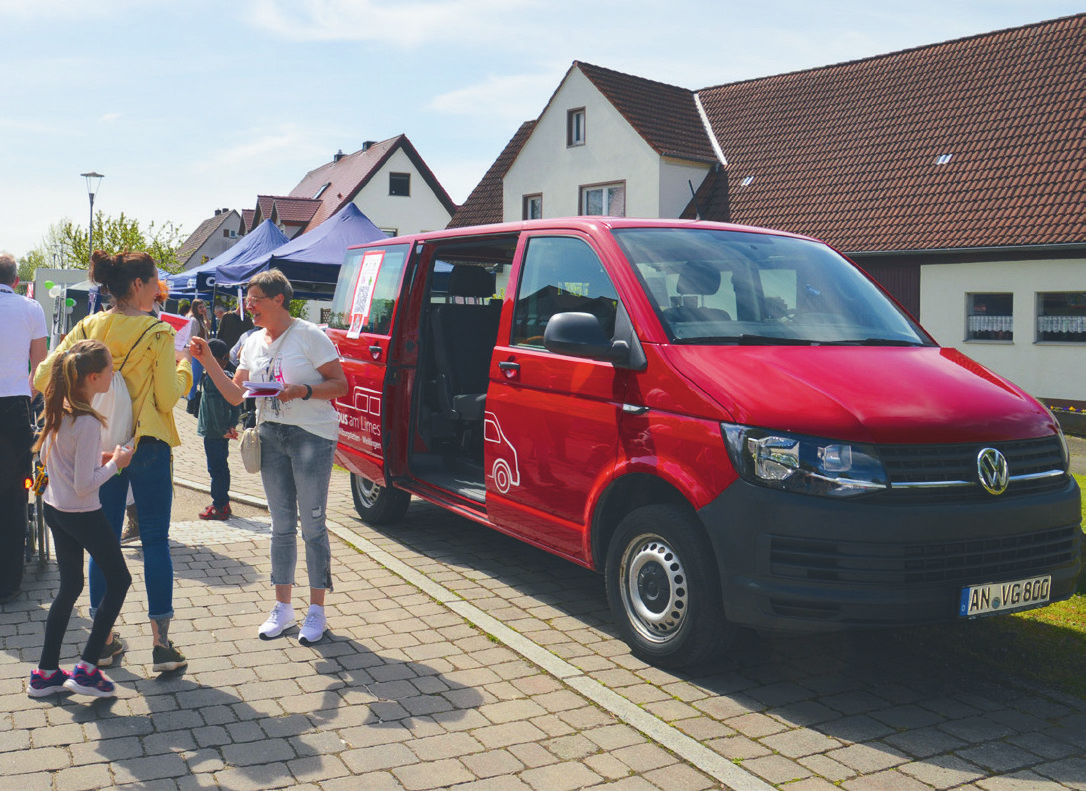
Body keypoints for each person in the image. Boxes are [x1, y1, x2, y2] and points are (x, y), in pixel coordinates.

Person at [35, 250, 192, 673]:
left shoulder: (89, 325)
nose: (158, 286)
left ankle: (103, 641)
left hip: (99, 447)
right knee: (156, 540)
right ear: (138, 285)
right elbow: (166, 397)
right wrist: (185, 368)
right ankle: (161, 644)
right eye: (155, 279)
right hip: (148, 446)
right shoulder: (158, 332)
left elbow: (41, 376)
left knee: (101, 545)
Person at [192, 270, 347, 645]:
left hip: (312, 437)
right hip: (271, 435)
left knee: (312, 524)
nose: (249, 305)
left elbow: (340, 384)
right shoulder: (252, 342)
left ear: (279, 300)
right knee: (280, 525)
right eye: (248, 298)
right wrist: (209, 360)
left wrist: (302, 390)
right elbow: (235, 395)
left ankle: (317, 611)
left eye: (255, 298)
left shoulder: (310, 335)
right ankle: (283, 608)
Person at [27, 340, 134, 698]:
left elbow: (64, 460)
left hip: (55, 509)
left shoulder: (60, 409)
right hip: (82, 513)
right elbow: (86, 484)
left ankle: (45, 673)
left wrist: (104, 457)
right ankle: (88, 668)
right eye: (109, 369)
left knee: (69, 586)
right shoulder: (87, 420)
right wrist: (115, 465)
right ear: (92, 377)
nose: (113, 373)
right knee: (120, 580)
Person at [0, 252, 48, 604]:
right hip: (13, 409)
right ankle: (8, 582)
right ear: (16, 280)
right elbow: (41, 368)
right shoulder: (31, 309)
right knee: (15, 494)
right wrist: (29, 396)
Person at [197, 339, 240, 520]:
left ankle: (219, 505)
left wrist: (223, 428)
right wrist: (231, 424)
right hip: (223, 431)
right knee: (222, 467)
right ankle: (224, 502)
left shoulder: (212, 379)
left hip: (215, 432)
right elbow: (236, 403)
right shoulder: (230, 376)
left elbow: (215, 407)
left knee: (216, 469)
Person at [186, 299, 210, 414]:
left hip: (201, 352)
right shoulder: (194, 320)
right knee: (195, 378)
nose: (202, 309)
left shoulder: (200, 319)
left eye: (203, 307)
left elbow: (209, 327)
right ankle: (191, 402)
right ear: (195, 308)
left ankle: (192, 401)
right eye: (200, 307)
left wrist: (205, 315)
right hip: (197, 352)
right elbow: (193, 337)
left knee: (197, 377)